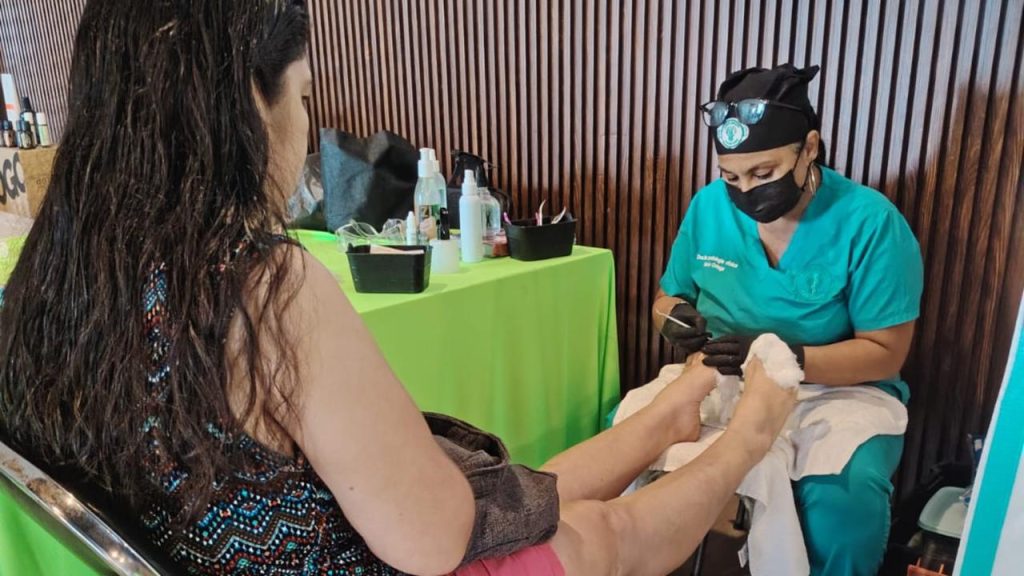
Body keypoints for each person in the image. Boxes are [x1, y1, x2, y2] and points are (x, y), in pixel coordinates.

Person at [0, 2, 798, 575]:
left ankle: (667, 418)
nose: (306, 123)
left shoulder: (49, 277)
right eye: (304, 95)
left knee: (522, 493)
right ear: (246, 99)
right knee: (598, 534)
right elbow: (434, 540)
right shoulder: (263, 288)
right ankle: (750, 434)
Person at [653, 64, 924, 575]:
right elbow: (667, 298)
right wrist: (676, 320)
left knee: (843, 507)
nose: (746, 191)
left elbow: (886, 352)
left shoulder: (870, 223)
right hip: (720, 381)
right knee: (630, 450)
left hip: (833, 392)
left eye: (764, 173)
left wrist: (784, 356)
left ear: (809, 148)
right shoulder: (709, 208)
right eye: (731, 177)